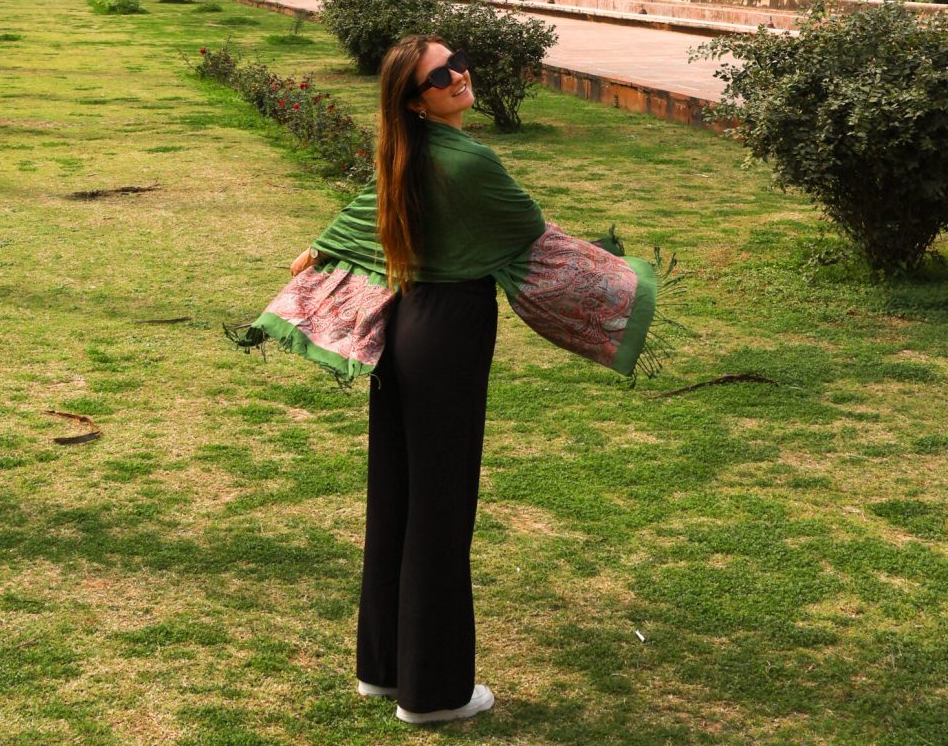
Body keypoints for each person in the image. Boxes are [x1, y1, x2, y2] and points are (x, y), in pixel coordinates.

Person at [230, 36, 662, 725]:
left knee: (398, 493)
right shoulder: (467, 159)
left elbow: (367, 208)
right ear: (415, 99)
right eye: (440, 75)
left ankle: (384, 668)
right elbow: (527, 231)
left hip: (403, 325)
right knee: (441, 503)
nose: (458, 75)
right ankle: (434, 694)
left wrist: (322, 245)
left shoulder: (405, 151)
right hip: (450, 329)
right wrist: (612, 275)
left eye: (456, 62)